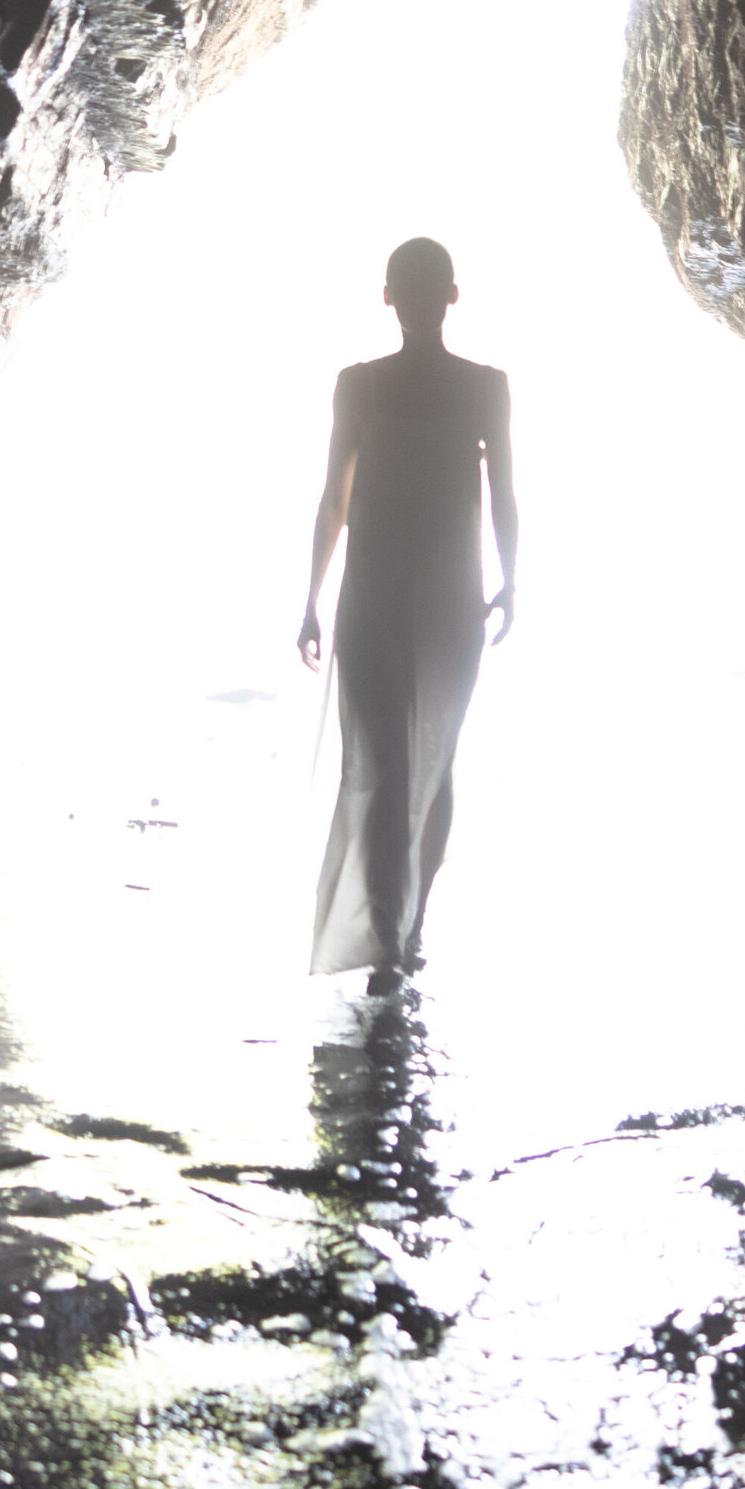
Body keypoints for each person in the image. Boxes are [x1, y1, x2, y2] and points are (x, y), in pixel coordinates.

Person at [298, 237, 518, 994]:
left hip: (426, 599)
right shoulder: (373, 387)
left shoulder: (474, 386)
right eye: (413, 290)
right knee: (406, 766)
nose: (419, 302)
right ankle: (397, 931)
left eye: (422, 290)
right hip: (409, 598)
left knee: (419, 764)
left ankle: (405, 926)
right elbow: (335, 498)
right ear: (402, 298)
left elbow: (503, 494)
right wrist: (310, 600)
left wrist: (512, 580)